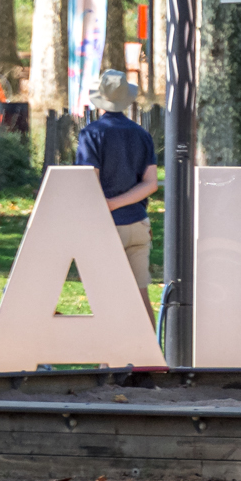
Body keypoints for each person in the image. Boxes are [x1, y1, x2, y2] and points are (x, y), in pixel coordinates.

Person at [78, 72, 161, 315]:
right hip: (138, 223)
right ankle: (152, 350)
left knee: (105, 296)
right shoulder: (142, 135)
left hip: (105, 225)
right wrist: (118, 203)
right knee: (141, 295)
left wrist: (108, 205)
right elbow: (151, 183)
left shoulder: (91, 134)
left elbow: (88, 183)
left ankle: (111, 351)